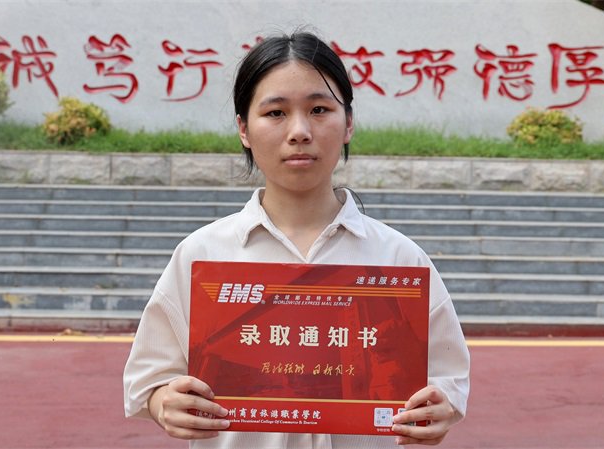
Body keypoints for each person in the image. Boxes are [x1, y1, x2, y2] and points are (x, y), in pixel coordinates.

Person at [123, 30, 470, 448]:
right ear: (243, 129)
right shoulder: (202, 254)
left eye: (319, 109)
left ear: (349, 124)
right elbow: (149, 378)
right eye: (275, 113)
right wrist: (164, 402)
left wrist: (440, 408)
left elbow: (447, 379)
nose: (300, 131)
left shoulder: (399, 259)